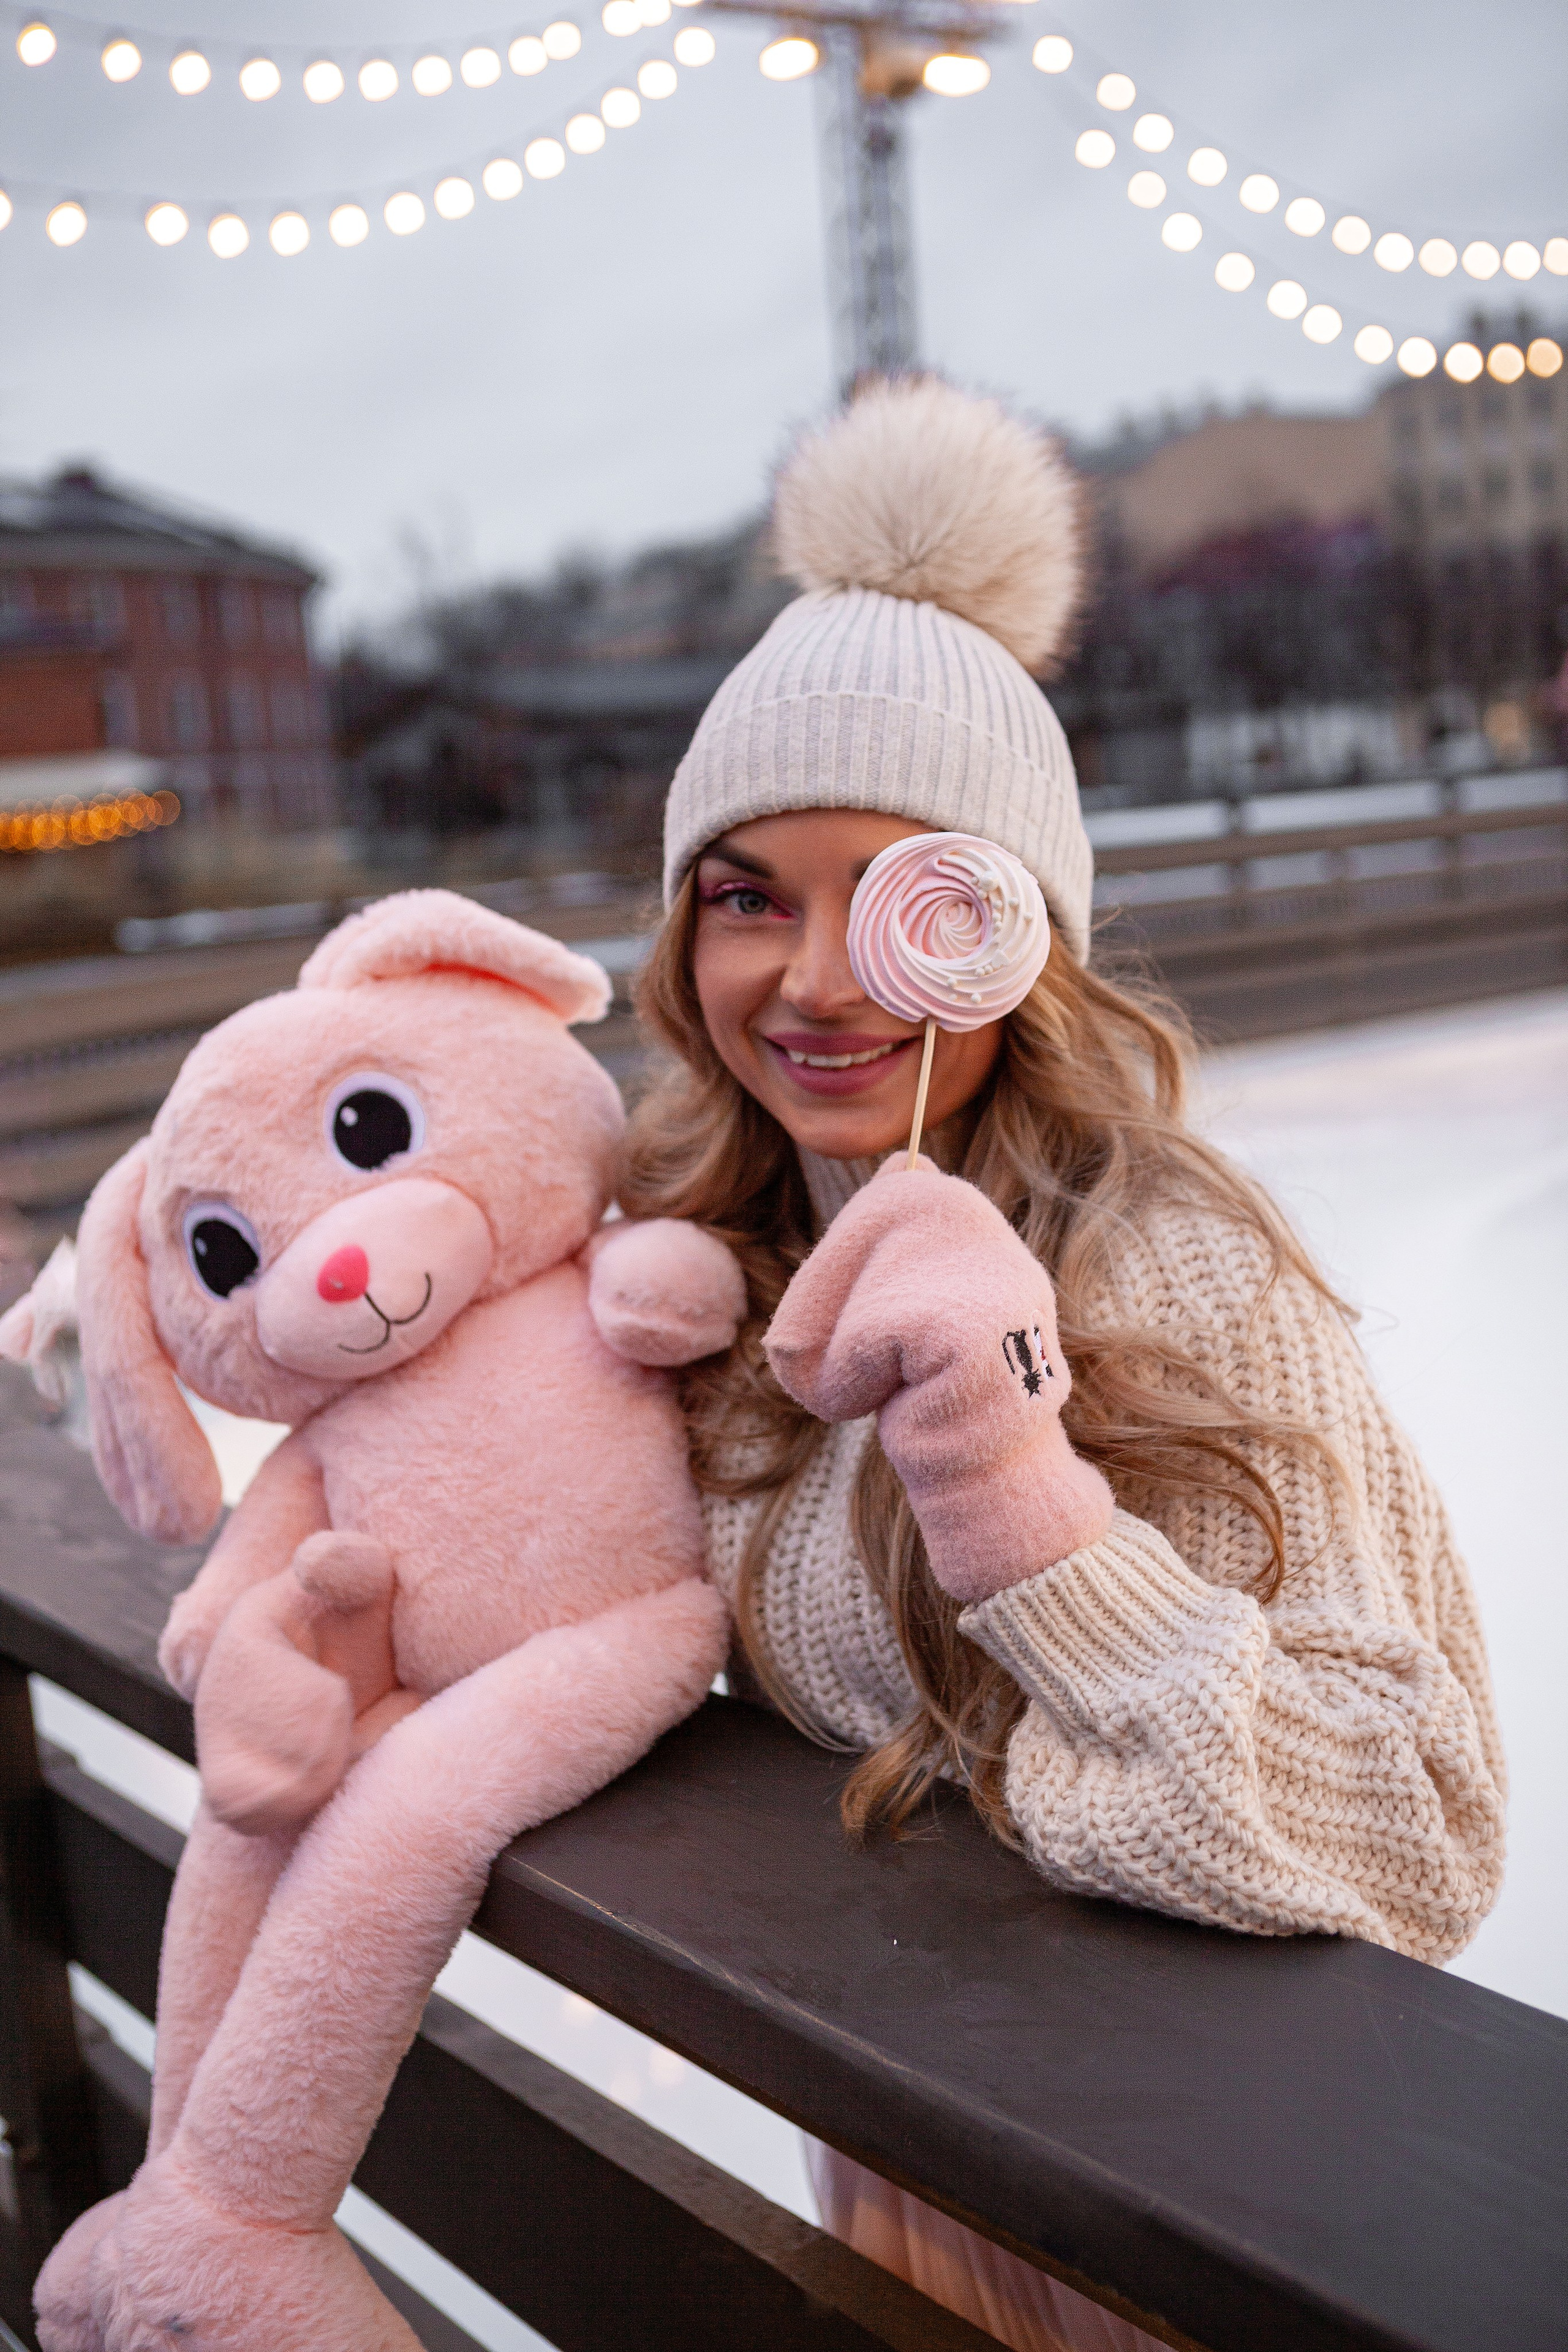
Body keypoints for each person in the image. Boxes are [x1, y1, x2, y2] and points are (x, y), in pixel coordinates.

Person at [617, 377, 1506, 2352]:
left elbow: (1412, 1825)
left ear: (1016, 931)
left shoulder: (1165, 1261)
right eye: (748, 893)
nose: (818, 975)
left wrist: (1028, 1512)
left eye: (897, 889)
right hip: (884, 2183)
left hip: (1193, 2222)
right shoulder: (692, 1261)